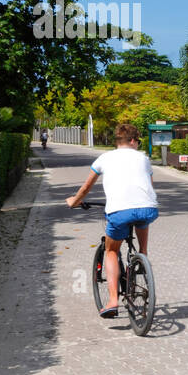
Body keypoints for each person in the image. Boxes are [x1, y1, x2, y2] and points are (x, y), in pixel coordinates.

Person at [66, 123, 159, 317]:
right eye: (138, 141)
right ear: (133, 141)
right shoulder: (143, 158)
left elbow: (85, 188)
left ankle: (112, 301)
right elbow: (149, 186)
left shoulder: (104, 158)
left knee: (111, 250)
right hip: (148, 208)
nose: (138, 144)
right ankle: (143, 253)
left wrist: (74, 202)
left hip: (119, 211)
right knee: (142, 217)